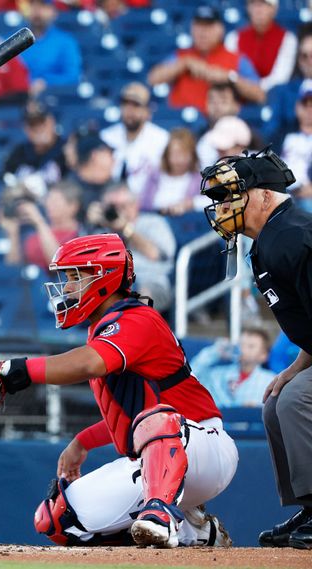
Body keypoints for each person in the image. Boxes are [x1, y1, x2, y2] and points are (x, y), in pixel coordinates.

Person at [0, 233, 238, 547]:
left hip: (206, 448)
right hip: (166, 452)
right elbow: (130, 416)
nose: (67, 287)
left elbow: (89, 365)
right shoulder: (106, 327)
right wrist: (82, 441)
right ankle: (197, 534)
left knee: (156, 422)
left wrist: (11, 370)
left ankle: (161, 513)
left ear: (105, 278)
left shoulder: (137, 318)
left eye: (75, 276)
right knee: (58, 520)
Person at [199, 147, 312, 549]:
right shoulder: (275, 235)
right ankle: (308, 505)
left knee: (296, 399)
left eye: (232, 196)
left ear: (264, 195)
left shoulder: (294, 235)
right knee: (278, 397)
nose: (224, 207)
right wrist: (294, 367)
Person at [147, 5, 264, 114]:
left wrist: (228, 77)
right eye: (199, 26)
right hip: (182, 124)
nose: (203, 32)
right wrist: (184, 63)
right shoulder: (182, 55)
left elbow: (259, 95)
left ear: (220, 30)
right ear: (192, 28)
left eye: (208, 26)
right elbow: (153, 79)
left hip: (219, 123)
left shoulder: (236, 58)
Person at [86, 183, 176, 312]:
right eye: (113, 207)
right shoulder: (101, 228)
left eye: (123, 206)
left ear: (135, 205)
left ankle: (137, 328)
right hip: (110, 283)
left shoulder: (153, 222)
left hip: (149, 280)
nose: (118, 211)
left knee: (144, 294)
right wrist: (91, 224)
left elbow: (155, 254)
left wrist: (126, 228)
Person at [100, 82, 169, 199]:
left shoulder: (162, 140)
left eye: (136, 105)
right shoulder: (106, 137)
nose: (129, 110)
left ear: (148, 111)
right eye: (125, 104)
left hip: (149, 205)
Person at [0, 180, 83, 270]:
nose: (49, 205)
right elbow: (13, 266)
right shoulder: (31, 229)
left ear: (73, 206)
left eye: (55, 201)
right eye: (48, 200)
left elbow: (56, 263)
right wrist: (13, 234)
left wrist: (39, 222)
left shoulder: (79, 235)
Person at [190, 326, 276, 408]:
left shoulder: (270, 381)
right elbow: (191, 376)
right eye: (241, 344)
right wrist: (215, 351)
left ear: (263, 355)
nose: (243, 349)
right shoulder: (218, 374)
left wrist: (256, 409)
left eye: (251, 346)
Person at [224, 0, 297, 92]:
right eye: (253, 4)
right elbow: (230, 72)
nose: (258, 9)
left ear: (274, 9)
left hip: (271, 95)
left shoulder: (288, 38)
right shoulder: (233, 37)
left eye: (264, 4)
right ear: (248, 8)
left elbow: (280, 79)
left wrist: (253, 89)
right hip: (239, 95)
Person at [20, 0, 82, 94]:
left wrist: (46, 82)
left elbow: (73, 76)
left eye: (43, 6)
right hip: (17, 98)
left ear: (54, 12)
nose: (37, 11)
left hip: (54, 98)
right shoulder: (14, 40)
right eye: (32, 5)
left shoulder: (65, 41)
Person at [2, 102, 65, 191]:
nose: (38, 129)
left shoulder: (66, 150)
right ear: (26, 129)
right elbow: (4, 178)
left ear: (52, 122)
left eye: (42, 123)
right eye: (33, 125)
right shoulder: (19, 153)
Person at [140, 128, 203, 215]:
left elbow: (212, 202)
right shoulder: (155, 176)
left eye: (184, 154)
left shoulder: (199, 180)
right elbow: (143, 204)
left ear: (192, 156)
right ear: (167, 155)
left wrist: (191, 203)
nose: (179, 160)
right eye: (175, 154)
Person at [280, 80, 312, 209]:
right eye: (306, 104)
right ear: (297, 106)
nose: (310, 109)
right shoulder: (281, 134)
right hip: (282, 194)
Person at [196, 83, 243, 168]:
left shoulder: (250, 139)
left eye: (223, 101)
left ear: (237, 106)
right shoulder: (197, 137)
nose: (217, 106)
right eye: (212, 101)